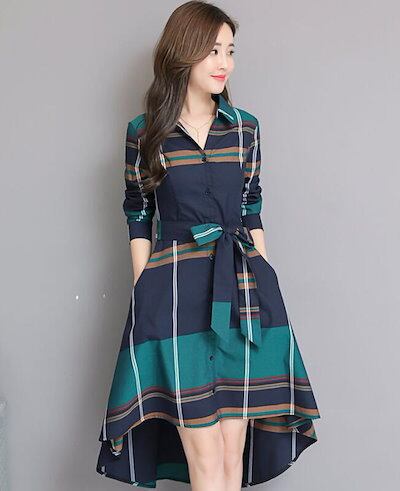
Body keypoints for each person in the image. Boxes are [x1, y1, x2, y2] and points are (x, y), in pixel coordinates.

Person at [96, 1, 321, 489]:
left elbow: (252, 208)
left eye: (230, 51)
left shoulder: (245, 128)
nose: (225, 63)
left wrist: (265, 281)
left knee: (230, 454)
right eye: (213, 50)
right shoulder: (145, 133)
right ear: (183, 53)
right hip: (174, 296)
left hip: (242, 294)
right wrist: (145, 292)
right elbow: (138, 216)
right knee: (202, 455)